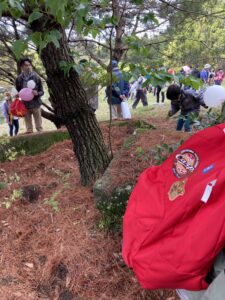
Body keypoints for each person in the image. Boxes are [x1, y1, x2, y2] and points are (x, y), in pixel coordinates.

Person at [15, 57, 44, 134]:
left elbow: (42, 91)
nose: (28, 67)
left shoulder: (36, 77)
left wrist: (37, 93)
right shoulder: (18, 79)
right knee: (29, 130)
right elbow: (18, 92)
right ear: (21, 67)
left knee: (39, 128)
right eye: (26, 65)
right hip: (25, 105)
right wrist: (17, 95)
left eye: (29, 65)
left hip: (36, 104)